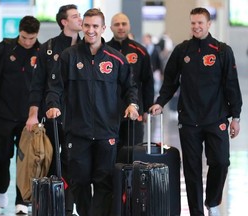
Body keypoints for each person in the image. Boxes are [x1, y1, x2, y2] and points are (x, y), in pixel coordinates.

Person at [45, 8, 139, 216]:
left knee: (104, 182)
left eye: (95, 26)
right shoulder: (69, 56)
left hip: (107, 132)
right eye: (86, 25)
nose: (90, 30)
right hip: (77, 132)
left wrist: (133, 105)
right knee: (79, 182)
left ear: (103, 28)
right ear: (82, 26)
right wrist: (53, 105)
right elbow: (55, 88)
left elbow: (131, 87)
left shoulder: (117, 59)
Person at [149, 7, 242, 216]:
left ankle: (213, 201)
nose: (196, 26)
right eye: (193, 23)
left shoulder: (222, 51)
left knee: (220, 161)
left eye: (200, 23)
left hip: (216, 117)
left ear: (208, 24)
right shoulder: (182, 51)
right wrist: (160, 102)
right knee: (192, 169)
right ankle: (196, 212)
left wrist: (236, 117)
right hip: (189, 119)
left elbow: (232, 85)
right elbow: (170, 80)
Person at [0, 16, 41, 214]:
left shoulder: (42, 51)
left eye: (31, 38)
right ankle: (2, 187)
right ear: (19, 32)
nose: (28, 42)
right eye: (24, 37)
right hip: (4, 115)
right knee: (3, 158)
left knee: (26, 162)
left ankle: (22, 202)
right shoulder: (5, 48)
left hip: (28, 118)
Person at [26, 4, 82, 216]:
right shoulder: (48, 48)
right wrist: (33, 115)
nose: (80, 19)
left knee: (73, 161)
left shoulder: (88, 46)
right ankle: (51, 205)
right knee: (50, 161)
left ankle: (68, 207)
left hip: (80, 116)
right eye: (75, 16)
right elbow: (37, 85)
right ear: (64, 22)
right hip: (52, 115)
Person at [107, 13, 154, 155]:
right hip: (109, 112)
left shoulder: (140, 51)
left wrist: (146, 109)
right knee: (111, 153)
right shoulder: (105, 50)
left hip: (134, 110)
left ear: (129, 26)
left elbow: (147, 81)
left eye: (124, 24)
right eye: (117, 24)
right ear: (110, 28)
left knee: (134, 152)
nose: (120, 27)